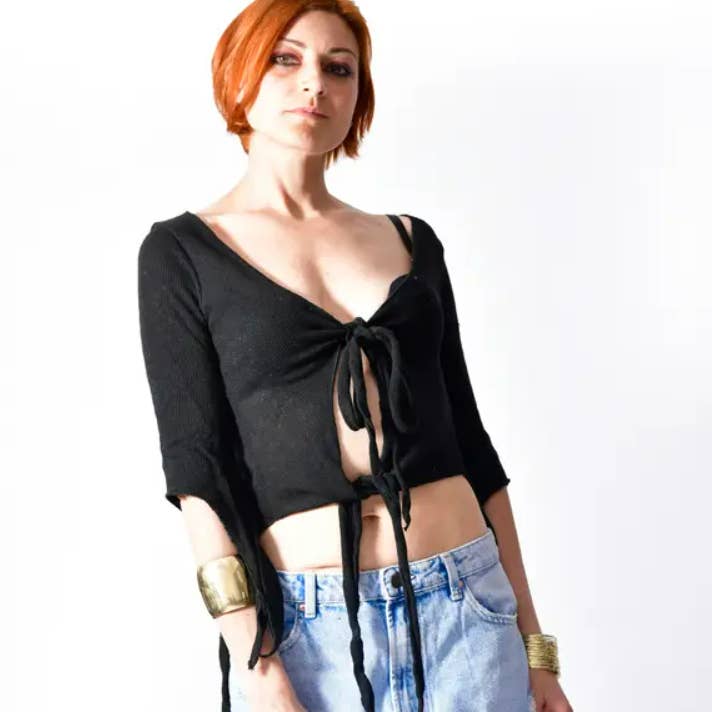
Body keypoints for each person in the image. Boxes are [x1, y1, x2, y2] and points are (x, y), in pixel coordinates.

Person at [137, 2, 573, 711]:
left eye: (339, 68)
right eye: (285, 58)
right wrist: (257, 665)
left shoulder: (410, 240)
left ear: (358, 96)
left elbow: (472, 446)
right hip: (313, 636)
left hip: (468, 610)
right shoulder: (181, 254)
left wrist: (535, 648)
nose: (315, 82)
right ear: (239, 74)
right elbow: (197, 473)